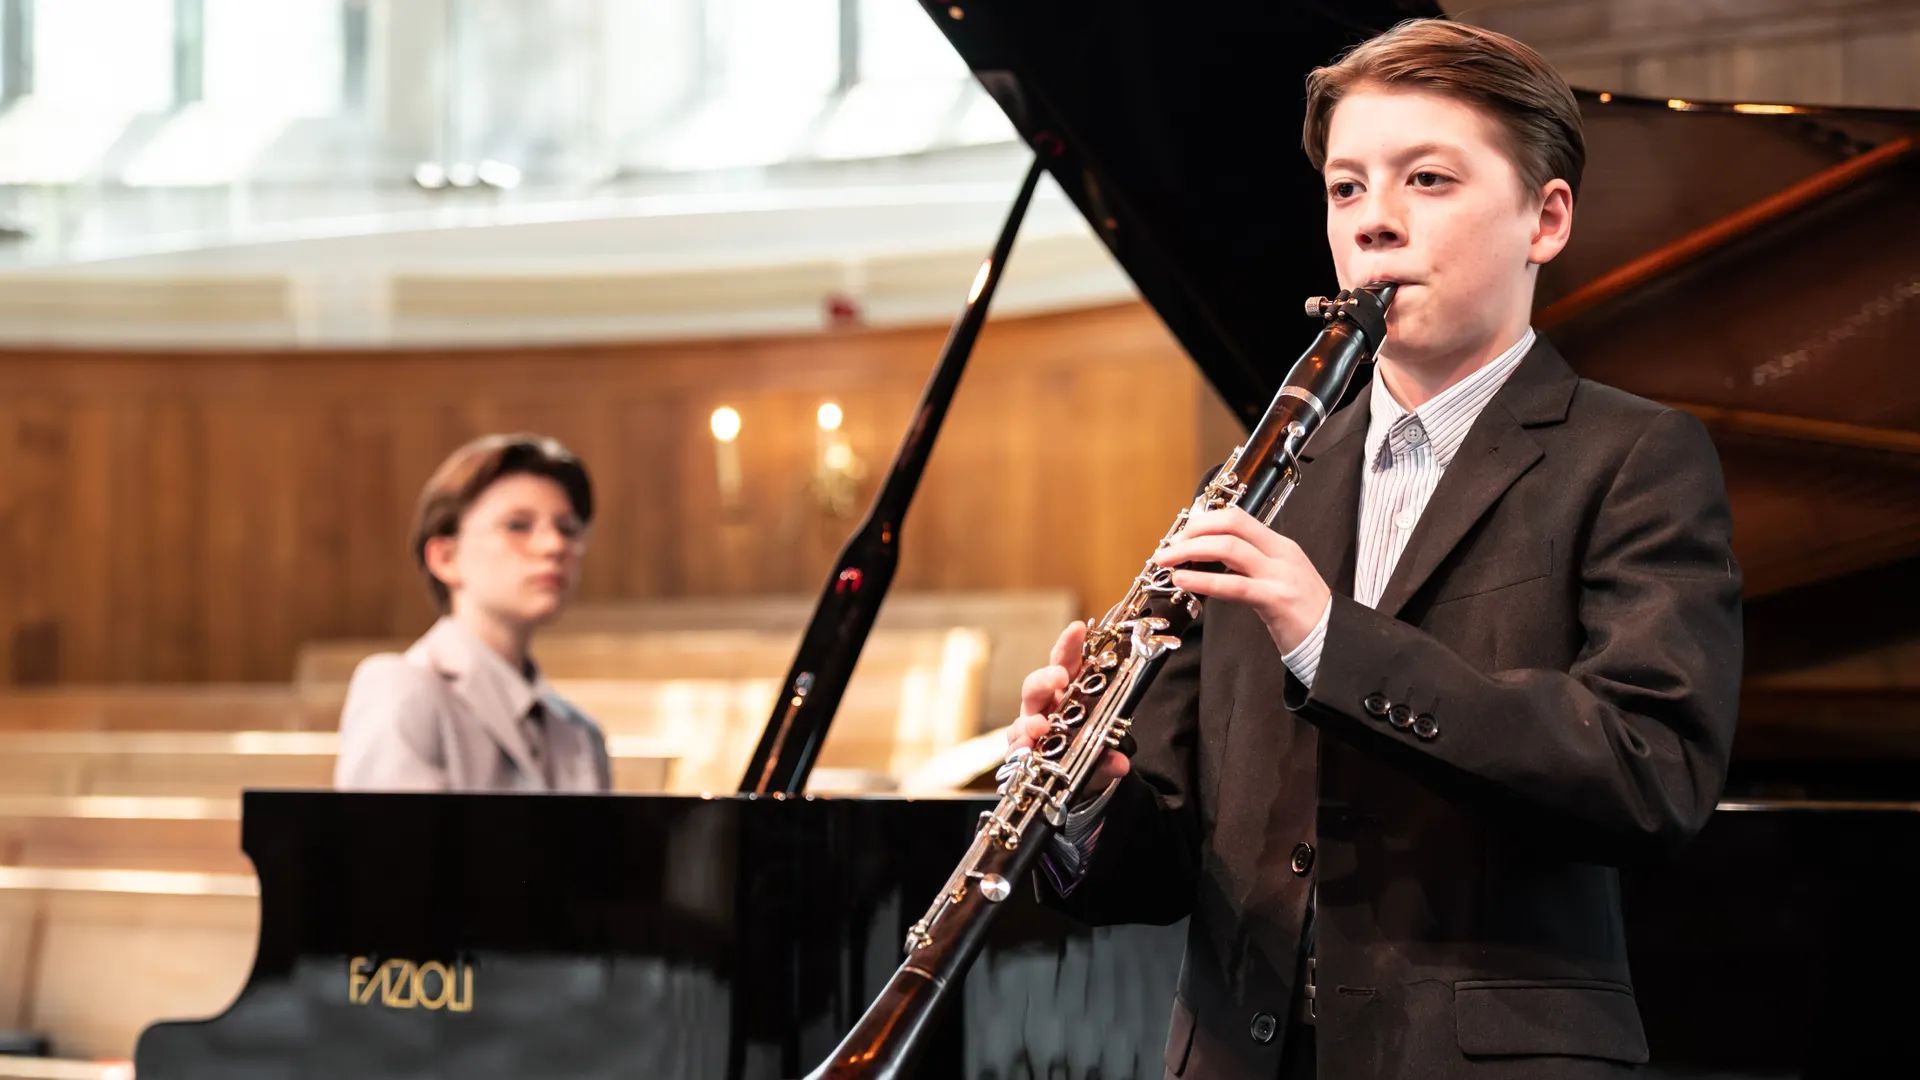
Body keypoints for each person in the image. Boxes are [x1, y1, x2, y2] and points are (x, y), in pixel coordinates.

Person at [1009, 19, 1742, 1080]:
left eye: (1428, 179)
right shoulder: (1256, 484)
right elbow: (1164, 865)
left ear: (1545, 219)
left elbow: (1652, 776)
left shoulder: (1635, 458)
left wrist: (1328, 639)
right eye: (1345, 188)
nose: (1373, 221)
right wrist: (1088, 794)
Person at [334, 433, 612, 793]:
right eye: (518, 525)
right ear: (445, 558)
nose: (554, 545)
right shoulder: (403, 690)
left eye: (568, 528)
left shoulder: (580, 734)